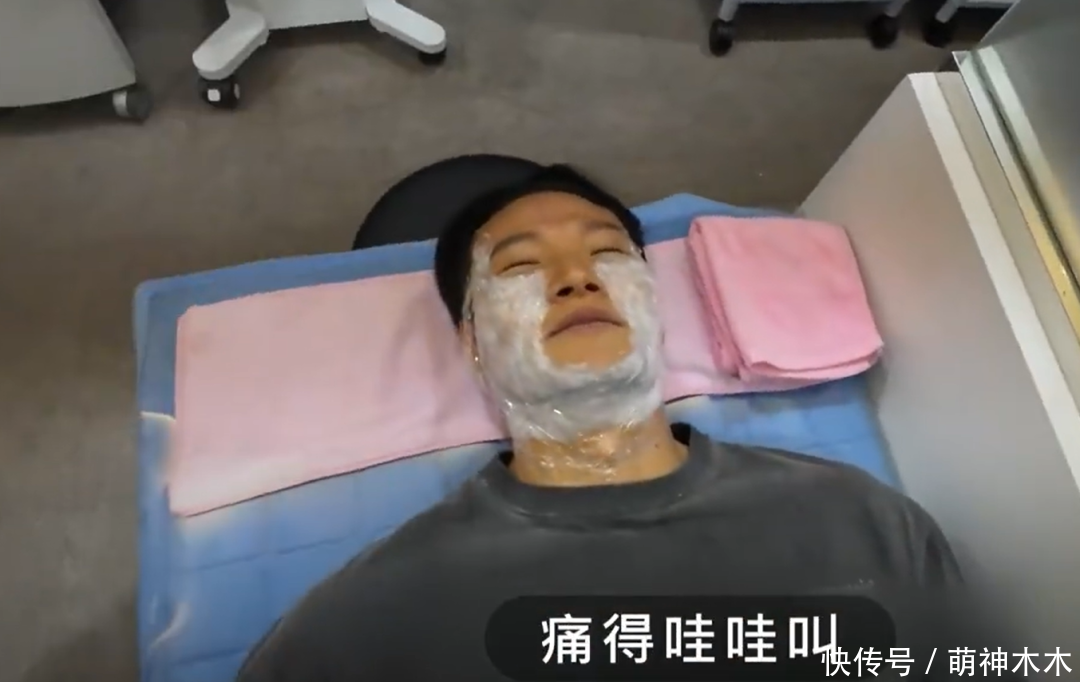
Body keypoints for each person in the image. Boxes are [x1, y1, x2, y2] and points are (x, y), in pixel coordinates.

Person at [236, 164, 962, 682]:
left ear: (653, 303)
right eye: (521, 268)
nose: (576, 278)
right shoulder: (375, 617)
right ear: (473, 342)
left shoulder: (862, 519)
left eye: (609, 253)